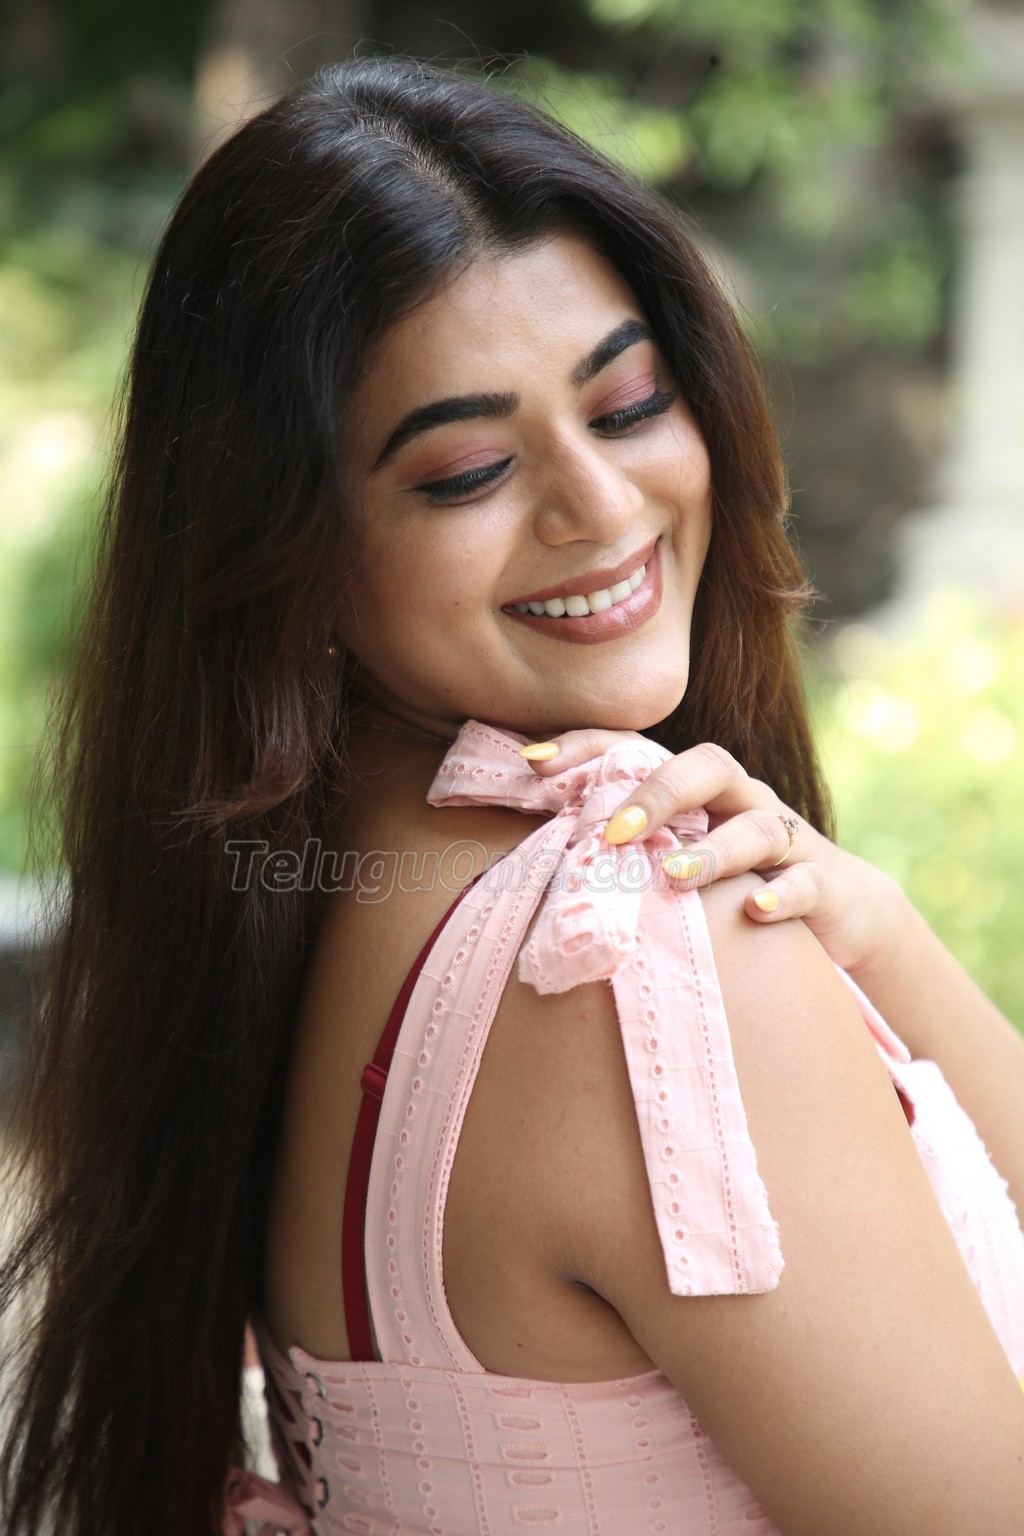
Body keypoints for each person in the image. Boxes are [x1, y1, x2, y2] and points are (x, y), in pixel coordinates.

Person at [1, 56, 1022, 1536]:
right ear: (284, 547)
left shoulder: (299, 918)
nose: (600, 507)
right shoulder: (636, 956)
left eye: (628, 403)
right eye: (468, 471)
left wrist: (884, 940)